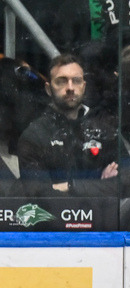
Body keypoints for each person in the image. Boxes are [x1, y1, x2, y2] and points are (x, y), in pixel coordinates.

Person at [17, 53, 120, 196]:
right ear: (48, 89)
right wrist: (99, 185)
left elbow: (127, 183)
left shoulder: (105, 127)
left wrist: (69, 187)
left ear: (84, 86)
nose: (70, 87)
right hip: (55, 217)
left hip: (104, 216)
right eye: (61, 81)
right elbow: (39, 196)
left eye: (76, 81)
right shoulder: (34, 136)